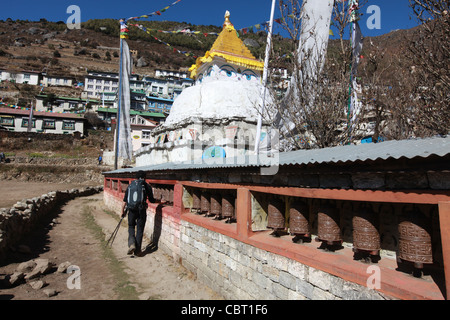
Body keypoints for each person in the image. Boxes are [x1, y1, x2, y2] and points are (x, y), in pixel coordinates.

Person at [121, 170, 155, 256]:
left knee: (131, 226)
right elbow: (152, 200)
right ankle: (137, 251)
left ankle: (132, 243)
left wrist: (123, 212)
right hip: (141, 210)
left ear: (136, 177)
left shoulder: (130, 185)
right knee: (140, 229)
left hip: (131, 210)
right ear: (145, 177)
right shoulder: (146, 186)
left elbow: (125, 201)